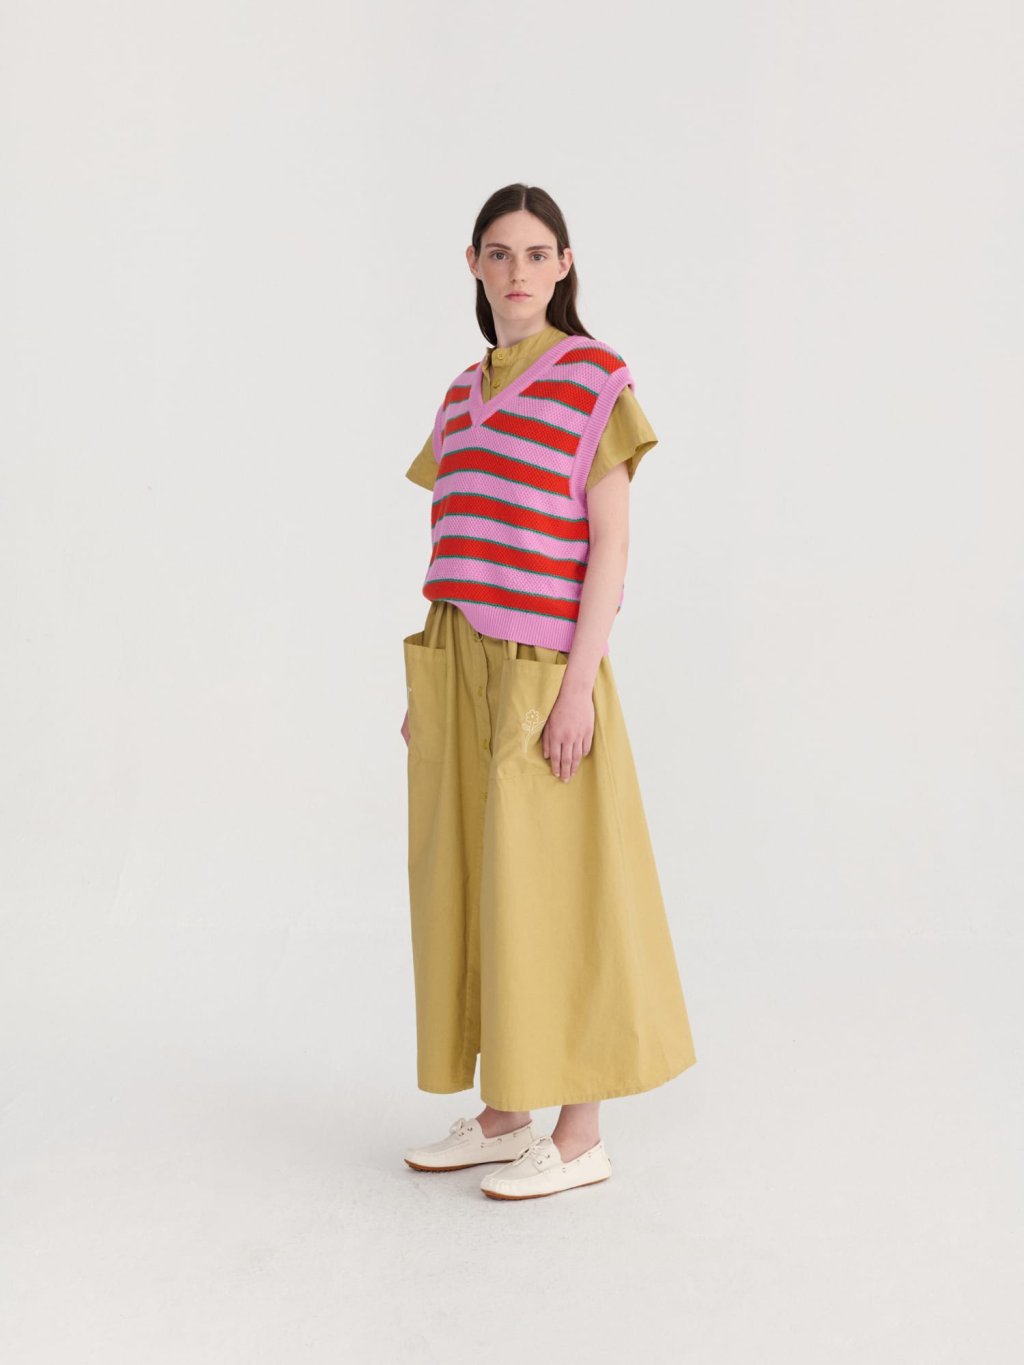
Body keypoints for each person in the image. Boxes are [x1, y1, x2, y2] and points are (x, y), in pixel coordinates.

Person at [400, 183, 697, 1201]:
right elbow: (455, 536)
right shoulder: (459, 396)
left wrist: (578, 688)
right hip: (457, 662)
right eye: (499, 252)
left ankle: (580, 1135)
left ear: (564, 264)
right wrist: (432, 686)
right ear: (474, 266)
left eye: (536, 253)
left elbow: (611, 543)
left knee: (558, 891)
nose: (517, 270)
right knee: (476, 887)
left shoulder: (594, 378)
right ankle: (503, 1115)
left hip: (543, 669)